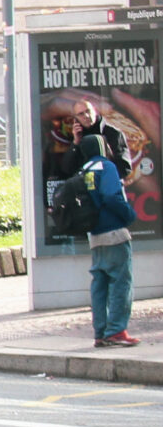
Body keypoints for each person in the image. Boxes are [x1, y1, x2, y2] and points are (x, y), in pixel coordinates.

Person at [78, 132, 140, 348]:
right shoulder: (106, 166)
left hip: (95, 235)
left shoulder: (84, 169)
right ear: (102, 147)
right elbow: (112, 196)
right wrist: (129, 215)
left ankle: (101, 332)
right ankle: (116, 331)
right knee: (121, 283)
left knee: (100, 286)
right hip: (114, 232)